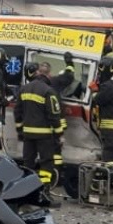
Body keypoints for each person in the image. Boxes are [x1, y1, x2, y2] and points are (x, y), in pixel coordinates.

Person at [14, 62, 66, 194]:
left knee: (28, 163)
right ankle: (43, 191)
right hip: (44, 135)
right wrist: (59, 134)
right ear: (47, 75)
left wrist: (20, 131)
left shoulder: (24, 89)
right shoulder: (48, 91)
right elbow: (54, 115)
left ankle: (27, 191)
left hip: (28, 135)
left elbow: (17, 113)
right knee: (46, 163)